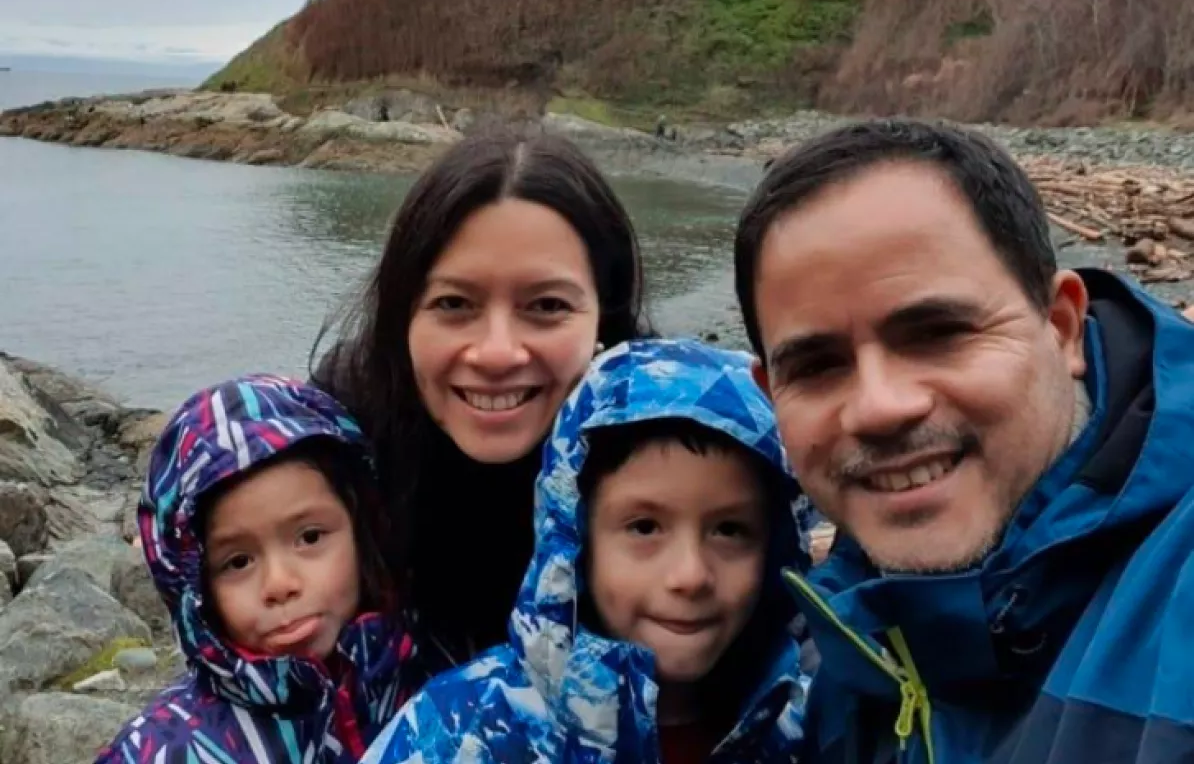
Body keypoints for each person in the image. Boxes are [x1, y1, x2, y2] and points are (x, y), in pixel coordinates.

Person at [733, 117, 1194, 762]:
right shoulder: (841, 643)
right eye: (815, 366)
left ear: (1060, 326)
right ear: (770, 393)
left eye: (938, 333)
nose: (879, 408)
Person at [360, 337, 814, 764]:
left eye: (730, 530)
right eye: (645, 527)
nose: (690, 575)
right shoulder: (460, 732)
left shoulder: (814, 724)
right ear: (575, 542)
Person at [313, 128, 653, 676]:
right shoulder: (336, 455)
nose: (497, 353)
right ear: (402, 318)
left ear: (604, 322)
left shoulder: (675, 459)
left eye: (546, 304)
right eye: (453, 303)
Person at [96, 375, 416, 764]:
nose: (279, 584)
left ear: (362, 528)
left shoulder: (431, 674)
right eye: (238, 562)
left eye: (310, 537)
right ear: (195, 590)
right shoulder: (168, 751)